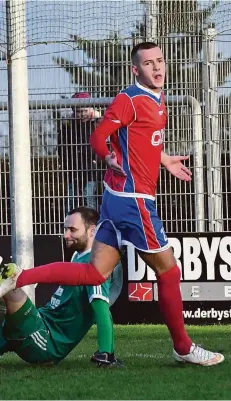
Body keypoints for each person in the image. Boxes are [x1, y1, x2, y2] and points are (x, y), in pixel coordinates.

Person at [0, 42, 224, 366]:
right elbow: (99, 136)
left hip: (116, 199)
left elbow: (140, 140)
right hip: (134, 201)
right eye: (149, 64)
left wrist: (164, 159)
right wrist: (108, 157)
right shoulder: (129, 99)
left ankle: (17, 278)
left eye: (160, 61)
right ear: (136, 69)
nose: (157, 68)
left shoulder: (157, 99)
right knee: (170, 271)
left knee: (93, 273)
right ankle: (183, 347)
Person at [0, 207, 123, 367]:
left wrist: (106, 353)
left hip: (46, 341)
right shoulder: (77, 256)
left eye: (72, 230)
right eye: (65, 229)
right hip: (39, 321)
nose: (66, 235)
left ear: (92, 231)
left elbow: (102, 311)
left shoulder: (95, 268)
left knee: (10, 284)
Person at [57, 92, 101, 212]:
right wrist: (66, 161)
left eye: (84, 111)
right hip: (73, 168)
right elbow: (62, 146)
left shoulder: (97, 124)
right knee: (71, 197)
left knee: (89, 196)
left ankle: (93, 225)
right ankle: (69, 225)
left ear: (91, 109)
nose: (81, 114)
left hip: (91, 168)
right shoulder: (68, 126)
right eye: (78, 111)